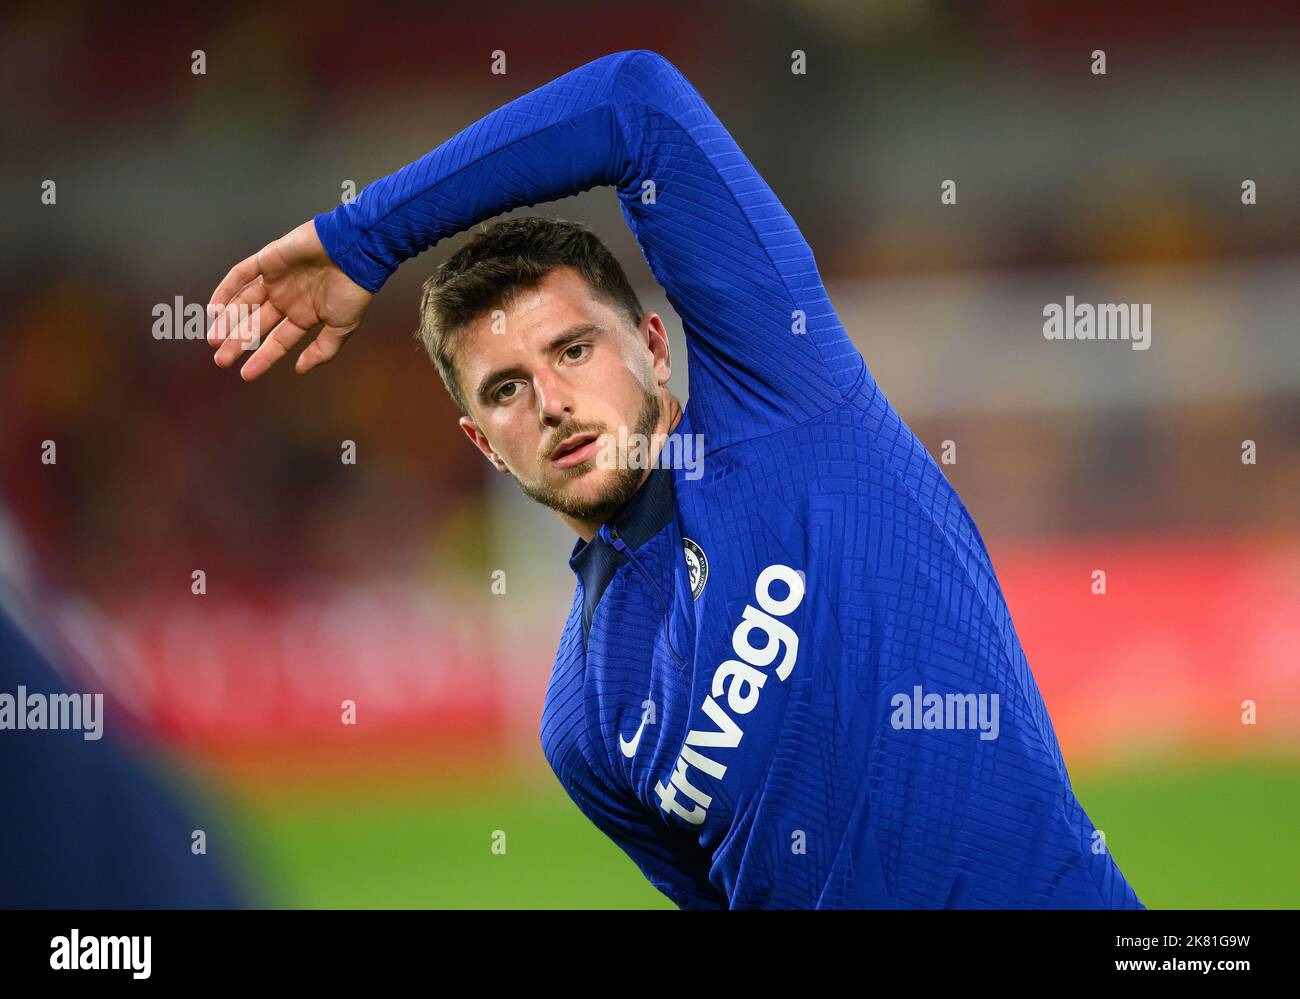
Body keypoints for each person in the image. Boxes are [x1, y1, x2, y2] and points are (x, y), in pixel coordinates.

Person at [205, 49, 1143, 909]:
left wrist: (363, 236)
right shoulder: (584, 723)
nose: (552, 401)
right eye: (506, 389)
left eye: (574, 349)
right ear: (483, 443)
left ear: (654, 346)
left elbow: (633, 102)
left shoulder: (789, 400)